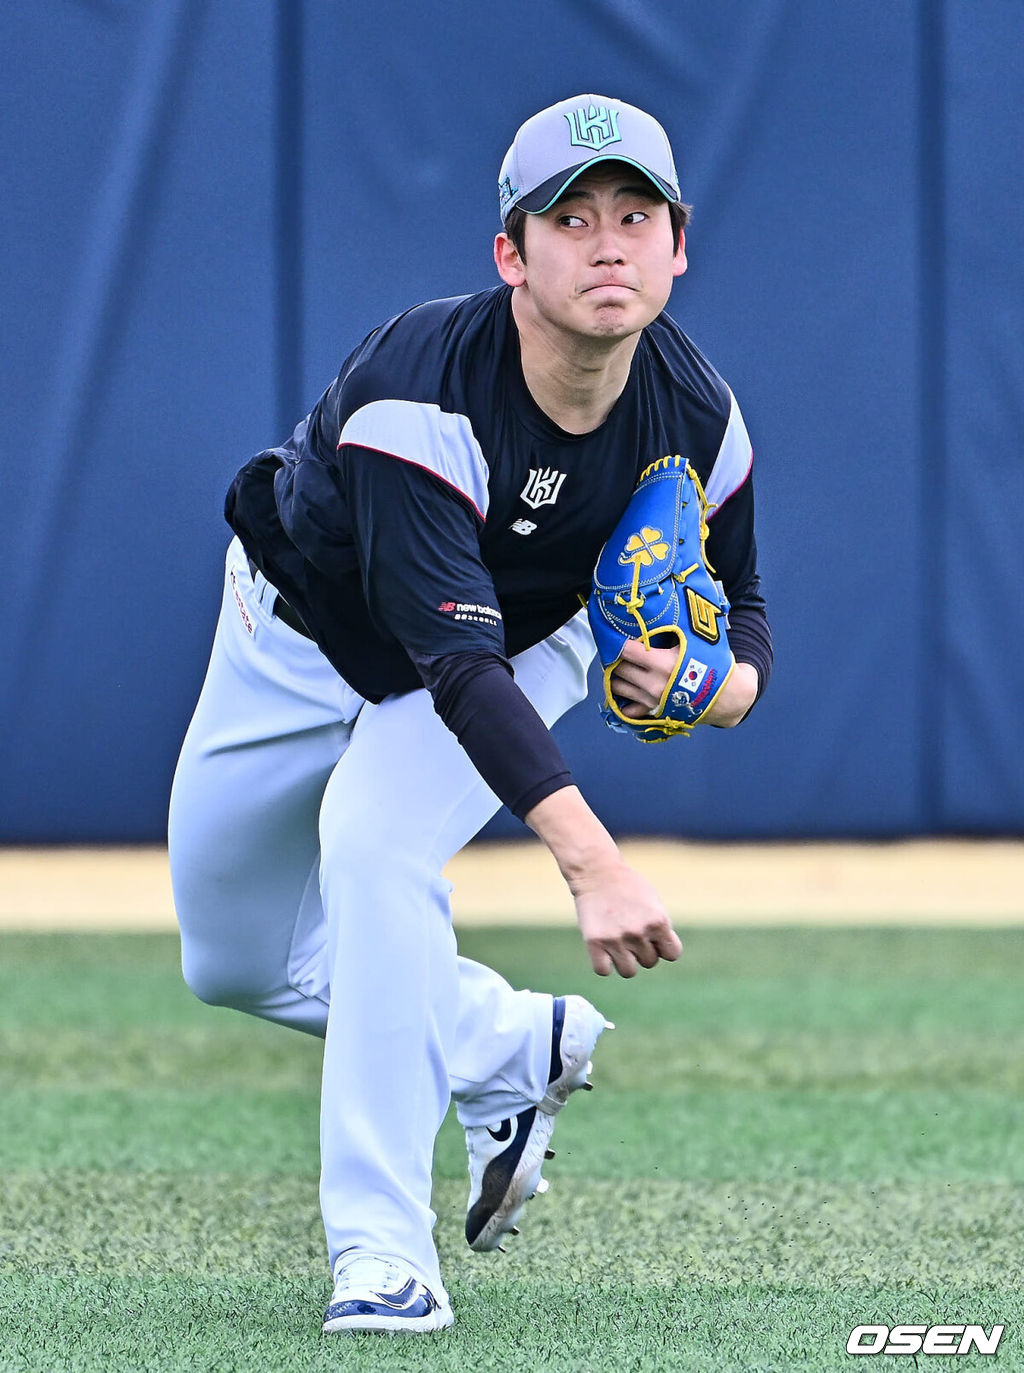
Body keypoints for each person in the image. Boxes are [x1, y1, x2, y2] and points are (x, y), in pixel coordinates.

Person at [167, 93, 772, 1336]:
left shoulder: (697, 417)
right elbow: (452, 666)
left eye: (634, 215)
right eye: (570, 218)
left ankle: (383, 1253)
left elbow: (746, 609)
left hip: (520, 642)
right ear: (512, 254)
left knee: (377, 851)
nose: (607, 243)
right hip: (300, 634)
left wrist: (714, 686)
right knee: (228, 957)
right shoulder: (420, 392)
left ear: (677, 244)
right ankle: (503, 1039)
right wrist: (591, 862)